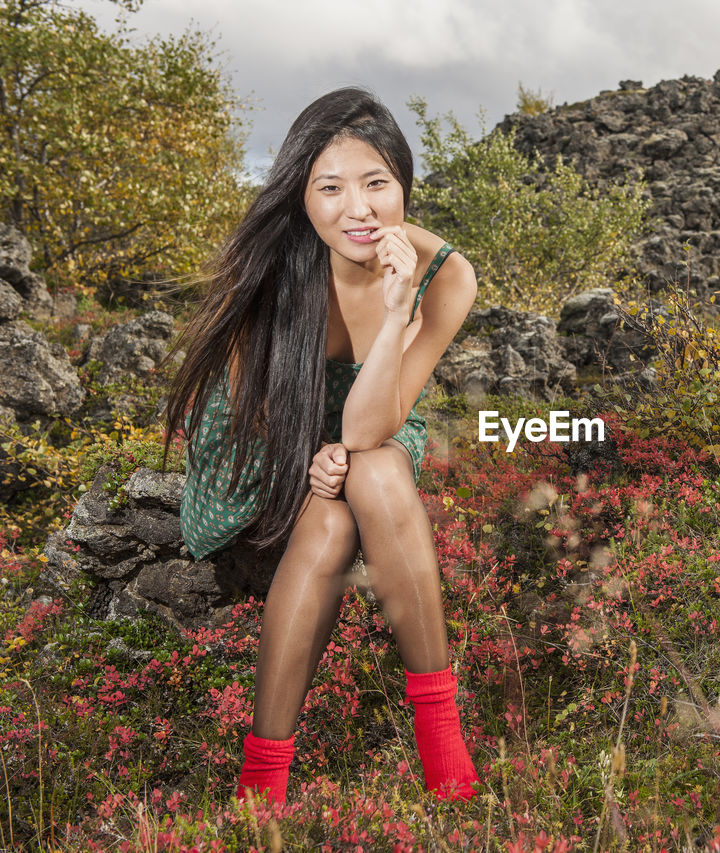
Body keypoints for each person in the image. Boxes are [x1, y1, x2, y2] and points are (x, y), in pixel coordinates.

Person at [164, 87, 480, 806]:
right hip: (262, 443)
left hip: (374, 421)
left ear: (405, 183)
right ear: (301, 198)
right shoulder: (276, 269)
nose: (357, 210)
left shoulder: (446, 275)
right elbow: (256, 406)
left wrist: (400, 306)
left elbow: (375, 426)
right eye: (329, 188)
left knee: (373, 472)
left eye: (376, 183)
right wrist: (311, 451)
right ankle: (264, 774)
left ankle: (441, 744)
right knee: (334, 517)